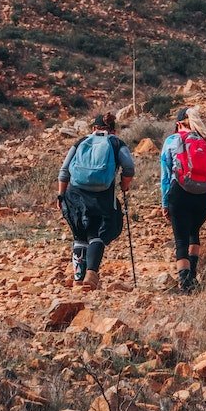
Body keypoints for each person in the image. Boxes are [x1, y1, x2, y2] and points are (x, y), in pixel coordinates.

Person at [58, 112, 135, 291]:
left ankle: (78, 278)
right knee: (98, 234)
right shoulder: (116, 143)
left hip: (75, 195)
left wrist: (61, 195)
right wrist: (124, 184)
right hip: (103, 197)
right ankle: (91, 274)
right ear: (113, 130)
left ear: (94, 128)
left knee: (80, 236)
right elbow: (129, 167)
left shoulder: (80, 142)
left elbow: (64, 170)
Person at [160, 106, 206, 293]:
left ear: (179, 123)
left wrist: (165, 203)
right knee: (194, 232)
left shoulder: (172, 140)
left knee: (181, 239)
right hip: (205, 195)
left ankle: (184, 282)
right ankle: (193, 275)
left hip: (179, 192)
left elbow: (165, 176)